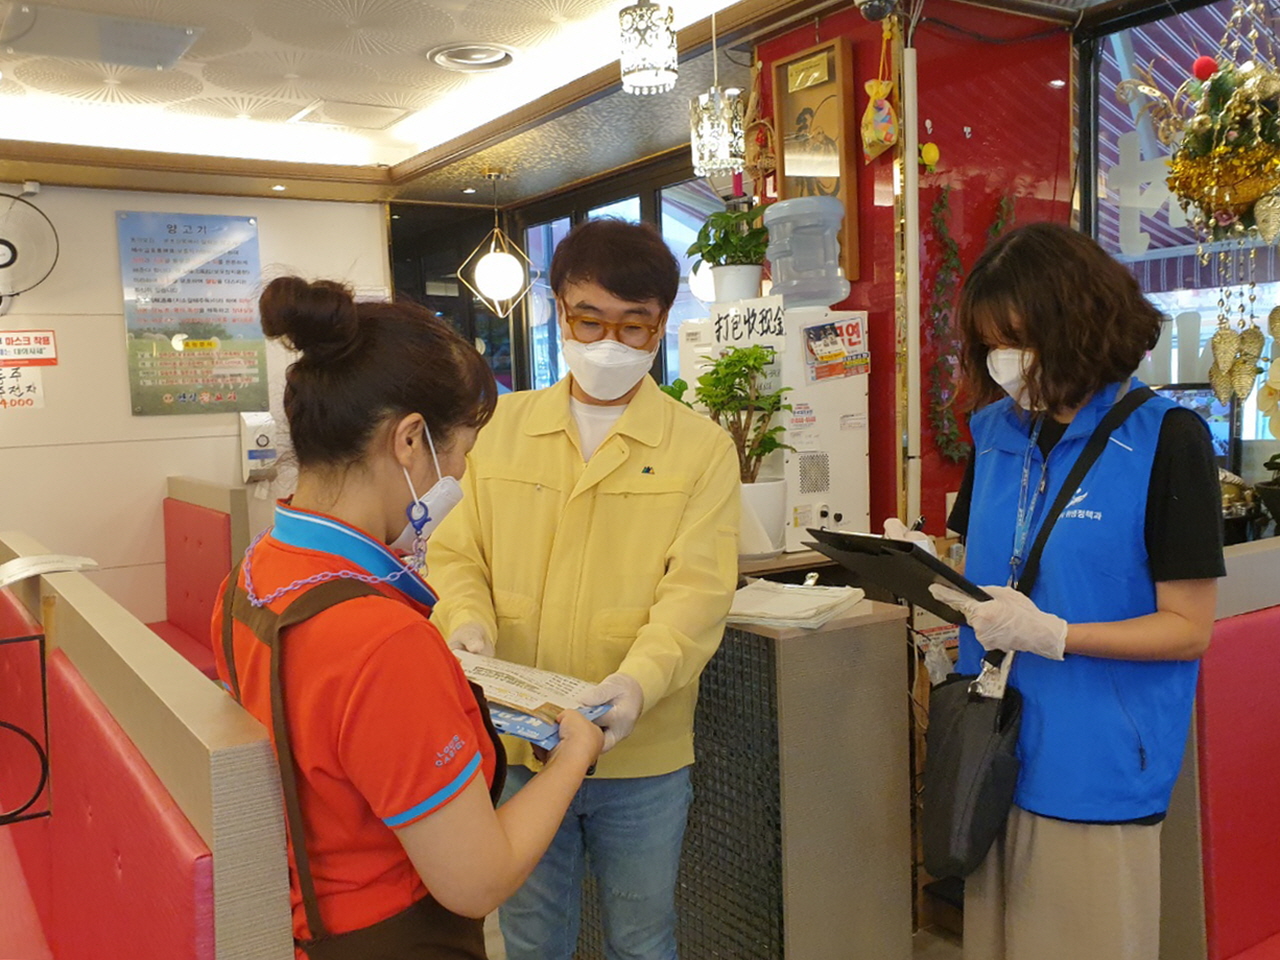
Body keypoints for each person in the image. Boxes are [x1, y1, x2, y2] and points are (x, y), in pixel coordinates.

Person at [213, 277, 603, 959]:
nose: (461, 476)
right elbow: (477, 881)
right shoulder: (380, 640)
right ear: (410, 440)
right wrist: (574, 755)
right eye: (460, 454)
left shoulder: (249, 578)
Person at [426, 218, 740, 960]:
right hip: (516, 742)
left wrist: (637, 683)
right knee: (532, 936)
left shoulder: (700, 448)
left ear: (662, 324)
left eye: (634, 326)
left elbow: (697, 595)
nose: (608, 343)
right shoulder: (499, 428)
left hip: (643, 752)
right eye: (589, 319)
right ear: (559, 312)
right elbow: (455, 551)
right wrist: (465, 621)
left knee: (643, 938)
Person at [929, 222, 1224, 960]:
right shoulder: (995, 432)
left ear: (1078, 324)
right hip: (992, 748)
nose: (1005, 361)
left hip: (1096, 759)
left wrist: (1057, 635)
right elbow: (977, 561)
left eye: (1019, 339)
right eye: (991, 343)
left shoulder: (1166, 440)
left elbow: (1187, 627)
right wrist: (920, 563)